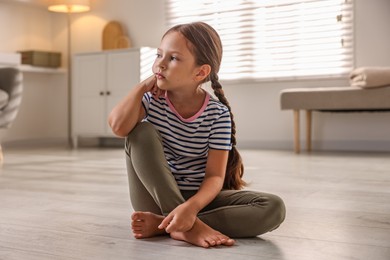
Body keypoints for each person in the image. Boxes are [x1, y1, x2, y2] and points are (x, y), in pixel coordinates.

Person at [108, 22, 286, 248]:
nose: (160, 64)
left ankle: (166, 223)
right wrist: (142, 87)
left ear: (200, 72)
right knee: (139, 132)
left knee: (273, 207)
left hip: (198, 199)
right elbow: (118, 127)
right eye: (159, 55)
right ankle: (187, 226)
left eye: (173, 58)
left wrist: (191, 209)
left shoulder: (217, 115)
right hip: (154, 197)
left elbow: (214, 177)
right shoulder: (152, 100)